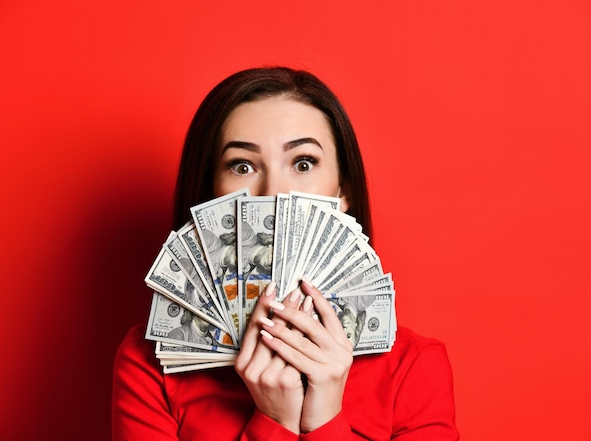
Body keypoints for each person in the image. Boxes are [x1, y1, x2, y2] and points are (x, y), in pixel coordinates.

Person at [112, 67, 459, 440]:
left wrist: (324, 419)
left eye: (303, 163)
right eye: (241, 166)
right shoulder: (150, 364)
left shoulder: (413, 366)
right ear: (210, 196)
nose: (274, 193)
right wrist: (274, 420)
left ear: (343, 192)